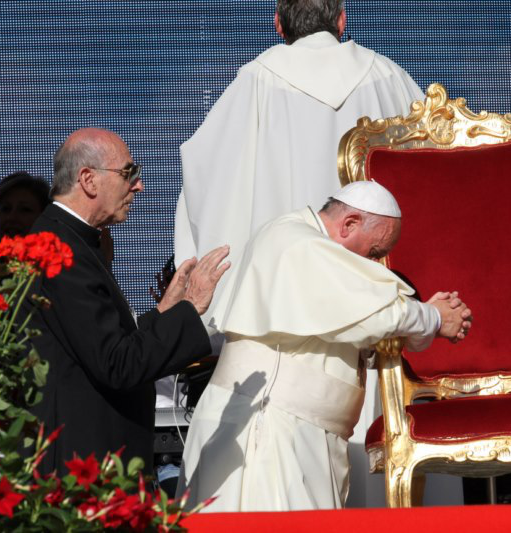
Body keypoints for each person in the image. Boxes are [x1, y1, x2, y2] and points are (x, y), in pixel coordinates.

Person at [177, 181, 472, 511]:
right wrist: (433, 317)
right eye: (374, 252)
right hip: (269, 431)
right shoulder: (296, 242)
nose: (374, 265)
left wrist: (426, 319)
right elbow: (378, 315)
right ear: (349, 224)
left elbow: (360, 325)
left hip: (304, 433)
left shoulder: (316, 252)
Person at [175, 0, 425, 334]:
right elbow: (431, 169)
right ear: (341, 20)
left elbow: (207, 173)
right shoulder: (390, 77)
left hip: (283, 302)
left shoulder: (255, 80)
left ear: (278, 24)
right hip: (379, 290)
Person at [26, 127, 231, 476]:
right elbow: (117, 364)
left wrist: (165, 312)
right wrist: (190, 307)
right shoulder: (60, 249)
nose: (139, 186)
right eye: (128, 173)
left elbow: (107, 343)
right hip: (81, 468)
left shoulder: (73, 242)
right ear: (89, 180)